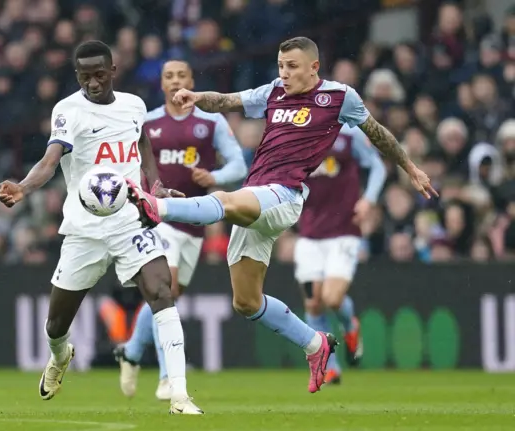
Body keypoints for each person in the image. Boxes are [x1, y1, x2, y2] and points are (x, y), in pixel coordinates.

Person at [126, 36, 437, 393]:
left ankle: (156, 206)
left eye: (291, 66)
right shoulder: (275, 91)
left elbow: (377, 133)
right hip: (257, 195)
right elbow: (229, 100)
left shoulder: (339, 97)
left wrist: (410, 167)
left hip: (283, 195)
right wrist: (198, 98)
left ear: (313, 67)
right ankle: (316, 345)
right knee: (246, 302)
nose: (284, 74)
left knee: (225, 201)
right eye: (280, 66)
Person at [0, 41, 203, 415]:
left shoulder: (134, 106)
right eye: (84, 76)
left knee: (162, 292)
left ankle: (180, 396)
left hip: (129, 222)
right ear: (77, 75)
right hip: (84, 231)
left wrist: (153, 186)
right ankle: (60, 358)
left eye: (98, 74)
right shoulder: (68, 111)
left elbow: (143, 147)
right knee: (56, 324)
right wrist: (24, 188)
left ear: (112, 71)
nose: (92, 82)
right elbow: (49, 160)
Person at [115, 59, 247, 401]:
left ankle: (130, 351)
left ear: (192, 80)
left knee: (169, 295)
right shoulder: (149, 122)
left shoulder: (210, 121)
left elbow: (238, 164)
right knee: (166, 288)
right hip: (158, 219)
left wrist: (214, 178)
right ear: (161, 84)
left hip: (194, 224)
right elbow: (132, 164)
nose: (175, 81)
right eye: (169, 76)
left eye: (182, 75)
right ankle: (167, 377)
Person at [295, 124, 386, 384]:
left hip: (344, 231)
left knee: (332, 298)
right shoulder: (296, 135)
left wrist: (368, 199)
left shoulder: (348, 133)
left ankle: (350, 326)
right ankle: (330, 365)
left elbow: (377, 167)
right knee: (313, 303)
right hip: (309, 234)